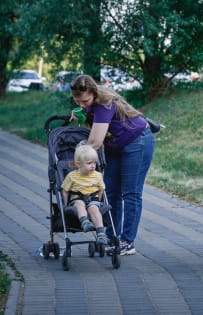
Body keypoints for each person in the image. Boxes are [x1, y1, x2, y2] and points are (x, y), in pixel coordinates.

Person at [69, 74, 155, 256]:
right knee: (110, 191)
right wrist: (83, 112)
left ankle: (127, 241)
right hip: (117, 144)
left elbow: (95, 142)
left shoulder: (104, 104)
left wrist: (79, 163)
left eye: (84, 101)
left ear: (93, 93)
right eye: (77, 102)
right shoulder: (92, 105)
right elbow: (91, 119)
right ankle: (112, 236)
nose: (81, 104)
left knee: (131, 192)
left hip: (138, 141)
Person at [61, 143, 107, 245]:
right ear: (78, 164)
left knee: (94, 209)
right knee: (79, 204)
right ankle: (85, 222)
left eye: (95, 163)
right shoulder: (72, 176)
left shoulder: (98, 176)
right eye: (89, 163)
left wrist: (98, 200)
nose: (93, 166)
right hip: (77, 198)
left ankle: (101, 234)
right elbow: (65, 190)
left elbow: (101, 189)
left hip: (93, 199)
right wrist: (65, 204)